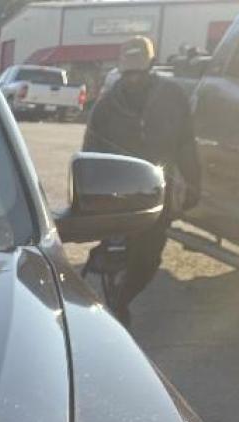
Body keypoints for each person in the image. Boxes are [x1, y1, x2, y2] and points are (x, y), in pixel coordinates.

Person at [82, 36, 202, 325]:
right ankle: (116, 304)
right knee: (117, 251)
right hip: (119, 198)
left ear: (151, 65)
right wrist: (89, 199)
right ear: (120, 69)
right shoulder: (107, 106)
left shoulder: (172, 97)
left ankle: (123, 298)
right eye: (128, 72)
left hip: (157, 193)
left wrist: (194, 182)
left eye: (139, 71)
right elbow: (90, 153)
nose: (134, 79)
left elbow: (186, 142)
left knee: (149, 259)